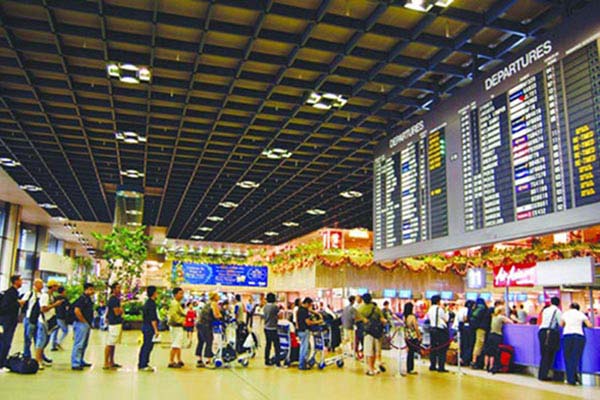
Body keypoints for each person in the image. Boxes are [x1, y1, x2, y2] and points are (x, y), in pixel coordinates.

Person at [560, 303, 592, 385]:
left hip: (567, 336)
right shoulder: (581, 314)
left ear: (570, 307)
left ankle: (570, 378)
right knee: (575, 357)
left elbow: (561, 324)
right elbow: (589, 325)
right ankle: (574, 378)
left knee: (568, 357)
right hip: (579, 336)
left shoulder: (565, 314)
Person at [35, 280, 63, 370]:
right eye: (56, 286)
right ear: (52, 286)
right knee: (41, 341)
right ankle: (37, 360)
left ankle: (41, 358)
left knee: (45, 341)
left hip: (49, 321)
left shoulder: (51, 296)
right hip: (44, 321)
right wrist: (55, 305)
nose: (57, 288)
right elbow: (43, 309)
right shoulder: (45, 296)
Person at [0, 275, 26, 370]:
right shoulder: (11, 293)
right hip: (7, 321)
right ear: (15, 281)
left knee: (5, 341)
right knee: (5, 342)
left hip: (9, 321)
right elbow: (5, 307)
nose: (22, 282)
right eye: (20, 280)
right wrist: (18, 304)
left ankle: (2, 361)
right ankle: (1, 363)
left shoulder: (14, 293)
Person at [358, 293, 387, 376]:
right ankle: (374, 367)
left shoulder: (361, 309)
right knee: (375, 351)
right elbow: (382, 319)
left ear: (363, 300)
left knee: (369, 352)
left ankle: (370, 369)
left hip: (368, 333)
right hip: (377, 332)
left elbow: (356, 320)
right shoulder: (376, 308)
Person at [71, 283, 95, 371]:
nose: (93, 291)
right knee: (79, 343)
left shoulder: (88, 299)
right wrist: (84, 321)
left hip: (86, 324)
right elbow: (77, 310)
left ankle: (80, 360)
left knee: (84, 343)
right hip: (81, 324)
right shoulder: (82, 299)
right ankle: (75, 363)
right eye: (91, 289)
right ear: (87, 289)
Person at [538, 297, 562, 381]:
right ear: (559, 303)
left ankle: (542, 374)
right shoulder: (557, 311)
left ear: (551, 302)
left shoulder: (545, 310)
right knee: (549, 354)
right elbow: (560, 323)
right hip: (550, 333)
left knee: (544, 353)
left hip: (542, 331)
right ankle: (544, 375)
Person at [196, 292, 222, 368]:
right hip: (206, 325)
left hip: (199, 324)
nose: (219, 297)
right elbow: (216, 315)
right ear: (215, 297)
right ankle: (208, 361)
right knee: (209, 341)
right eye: (218, 296)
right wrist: (221, 315)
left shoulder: (206, 303)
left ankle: (199, 360)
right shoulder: (214, 303)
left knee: (200, 341)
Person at [483, 306, 512, 373]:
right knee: (493, 352)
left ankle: (485, 366)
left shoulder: (493, 316)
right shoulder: (501, 317)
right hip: (497, 336)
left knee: (488, 352)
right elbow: (510, 322)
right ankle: (491, 366)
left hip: (490, 335)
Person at [297, 297, 322, 370]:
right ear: (307, 303)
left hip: (300, 330)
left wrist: (316, 313)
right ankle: (302, 365)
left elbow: (310, 310)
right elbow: (308, 322)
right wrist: (318, 321)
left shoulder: (300, 309)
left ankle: (304, 362)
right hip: (305, 331)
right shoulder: (304, 311)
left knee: (306, 347)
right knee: (304, 348)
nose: (310, 306)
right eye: (310, 305)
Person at [138, 286, 160, 372]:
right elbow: (152, 318)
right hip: (149, 327)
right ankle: (143, 364)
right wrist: (156, 330)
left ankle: (143, 363)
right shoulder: (151, 304)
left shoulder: (148, 303)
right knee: (147, 345)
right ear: (154, 293)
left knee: (147, 345)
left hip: (146, 326)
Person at [427, 295, 449, 373]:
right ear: (438, 301)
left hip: (432, 329)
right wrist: (446, 310)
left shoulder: (430, 309)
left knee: (433, 348)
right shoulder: (439, 309)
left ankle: (432, 365)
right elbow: (446, 319)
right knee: (442, 349)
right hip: (440, 330)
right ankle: (441, 366)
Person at [104, 282, 123, 370]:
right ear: (114, 289)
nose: (120, 290)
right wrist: (121, 310)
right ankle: (105, 362)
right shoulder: (114, 299)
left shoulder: (114, 299)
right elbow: (117, 312)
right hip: (114, 323)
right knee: (110, 342)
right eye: (118, 288)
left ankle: (111, 361)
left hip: (115, 322)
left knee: (113, 343)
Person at [23, 278, 44, 359]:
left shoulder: (42, 294)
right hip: (29, 318)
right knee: (28, 338)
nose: (42, 285)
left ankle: (39, 356)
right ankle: (26, 355)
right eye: (40, 284)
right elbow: (23, 302)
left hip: (39, 319)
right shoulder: (30, 293)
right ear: (35, 284)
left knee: (38, 338)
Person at [167, 287, 186, 368]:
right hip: (176, 326)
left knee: (178, 343)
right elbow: (174, 315)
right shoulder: (174, 303)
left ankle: (178, 359)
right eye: (180, 293)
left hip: (177, 326)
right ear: (175, 294)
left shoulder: (177, 303)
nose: (182, 295)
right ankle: (171, 361)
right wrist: (182, 321)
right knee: (176, 343)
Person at [263, 292, 281, 367]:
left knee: (268, 344)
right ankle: (277, 361)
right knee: (277, 345)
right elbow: (278, 314)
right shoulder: (274, 306)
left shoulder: (265, 307)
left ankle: (266, 360)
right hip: (273, 328)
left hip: (266, 327)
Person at [403, 302, 422, 375]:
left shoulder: (404, 317)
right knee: (412, 353)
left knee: (409, 353)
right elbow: (416, 327)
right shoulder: (412, 317)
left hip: (407, 336)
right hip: (413, 336)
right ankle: (410, 369)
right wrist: (419, 336)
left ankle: (409, 368)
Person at [50, 286, 69, 351]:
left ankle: (53, 346)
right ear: (63, 291)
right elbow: (67, 308)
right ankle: (58, 342)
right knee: (65, 331)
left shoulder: (55, 298)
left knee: (55, 330)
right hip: (62, 317)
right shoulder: (65, 299)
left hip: (55, 315)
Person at [470, 298, 488, 368]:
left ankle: (474, 361)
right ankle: (474, 361)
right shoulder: (482, 308)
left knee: (476, 344)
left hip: (475, 328)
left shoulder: (476, 308)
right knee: (479, 344)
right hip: (481, 329)